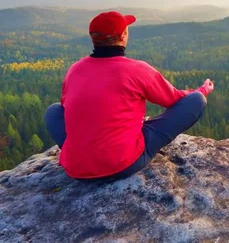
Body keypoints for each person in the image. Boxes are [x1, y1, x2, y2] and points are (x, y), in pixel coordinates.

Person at [44, 11, 213, 181]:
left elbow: (71, 109)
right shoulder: (137, 69)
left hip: (76, 169)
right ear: (123, 36)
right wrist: (202, 90)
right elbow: (174, 99)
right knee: (196, 100)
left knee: (53, 111)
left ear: (93, 39)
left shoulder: (75, 70)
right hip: (122, 164)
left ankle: (79, 155)